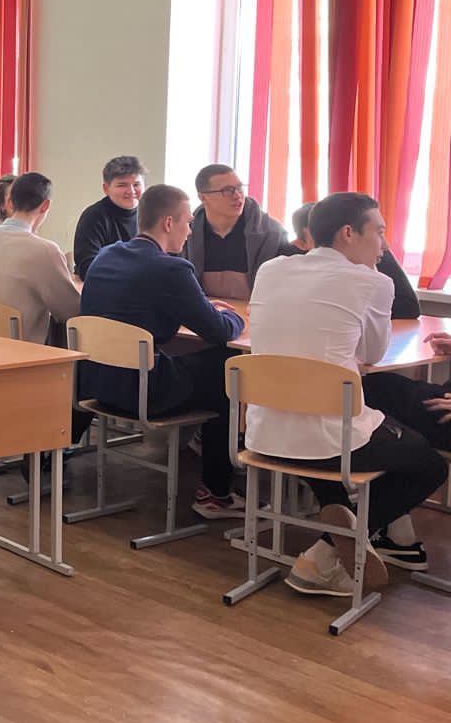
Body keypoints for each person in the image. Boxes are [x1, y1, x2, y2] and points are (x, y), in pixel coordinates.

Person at [247, 192, 447, 594]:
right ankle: (328, 551)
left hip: (263, 434)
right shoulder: (373, 282)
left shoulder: (271, 269)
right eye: (380, 232)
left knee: (377, 400)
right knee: (427, 463)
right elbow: (371, 354)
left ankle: (368, 527)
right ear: (348, 233)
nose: (384, 244)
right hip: (327, 443)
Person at [80, 184, 246, 518]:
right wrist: (234, 316)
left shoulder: (107, 255)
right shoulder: (171, 269)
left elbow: (138, 308)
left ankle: (196, 452)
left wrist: (198, 307)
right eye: (188, 222)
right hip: (141, 391)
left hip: (96, 384)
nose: (190, 231)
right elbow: (218, 331)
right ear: (169, 223)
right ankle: (216, 493)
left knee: (203, 365)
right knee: (229, 366)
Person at [0, 172, 79, 345]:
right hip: (17, 349)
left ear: (10, 202)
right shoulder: (44, 250)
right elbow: (69, 310)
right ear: (45, 205)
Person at [292, 201, 419, 320]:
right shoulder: (291, 265)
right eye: (318, 238)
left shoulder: (372, 252)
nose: (327, 243)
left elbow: (408, 308)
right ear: (300, 244)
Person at [184, 164, 296, 299]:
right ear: (203, 197)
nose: (237, 196)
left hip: (254, 310)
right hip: (202, 310)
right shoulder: (185, 233)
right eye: (227, 190)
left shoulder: (271, 233)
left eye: (240, 188)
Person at [72, 156, 146, 279]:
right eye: (122, 185)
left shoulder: (152, 214)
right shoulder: (93, 216)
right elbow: (87, 266)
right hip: (108, 285)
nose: (131, 191)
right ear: (106, 189)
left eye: (136, 184)